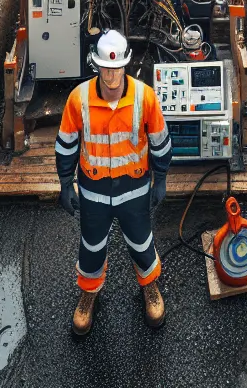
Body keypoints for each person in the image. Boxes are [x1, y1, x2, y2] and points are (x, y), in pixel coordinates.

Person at [55, 29, 172, 334]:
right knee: (91, 247)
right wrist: (66, 184)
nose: (111, 74)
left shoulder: (145, 97)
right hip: (94, 191)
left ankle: (149, 287)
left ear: (125, 66)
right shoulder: (78, 99)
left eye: (116, 67)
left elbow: (160, 141)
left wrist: (160, 179)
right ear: (96, 65)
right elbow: (66, 144)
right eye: (106, 67)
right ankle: (88, 295)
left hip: (134, 189)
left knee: (141, 242)